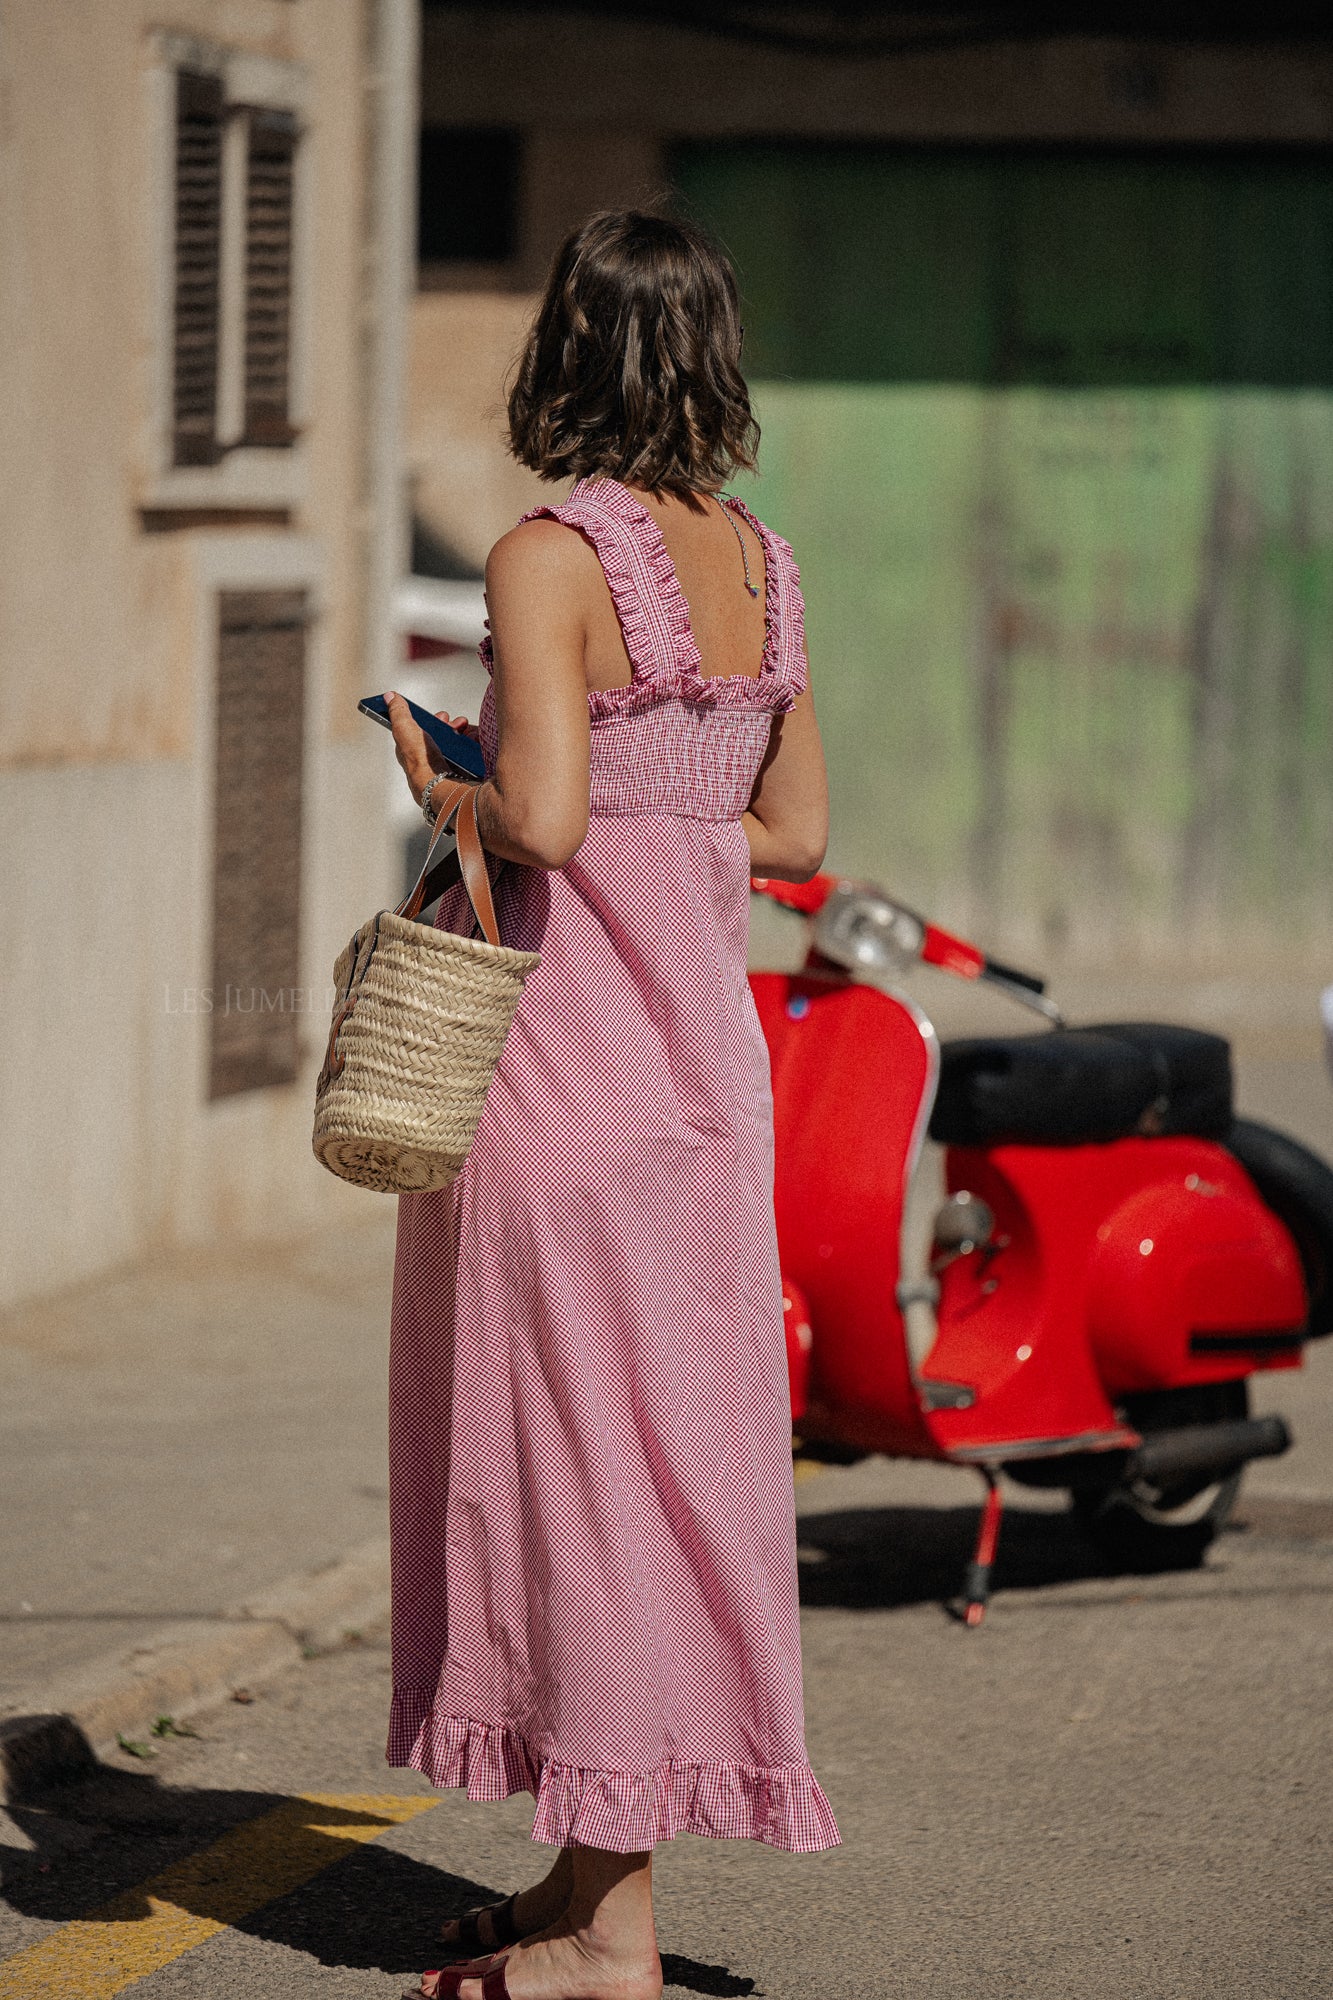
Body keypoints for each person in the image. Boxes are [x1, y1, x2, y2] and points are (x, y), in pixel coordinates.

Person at [385, 209, 836, 2000]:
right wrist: (670, 826)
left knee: (562, 1484)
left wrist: (445, 774)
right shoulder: (767, 567)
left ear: (562, 349)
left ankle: (605, 1938)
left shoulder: (544, 555)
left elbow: (550, 822)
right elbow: (796, 839)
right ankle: (586, 1884)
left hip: (561, 1077)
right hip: (703, 1089)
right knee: (662, 1477)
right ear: (713, 354)